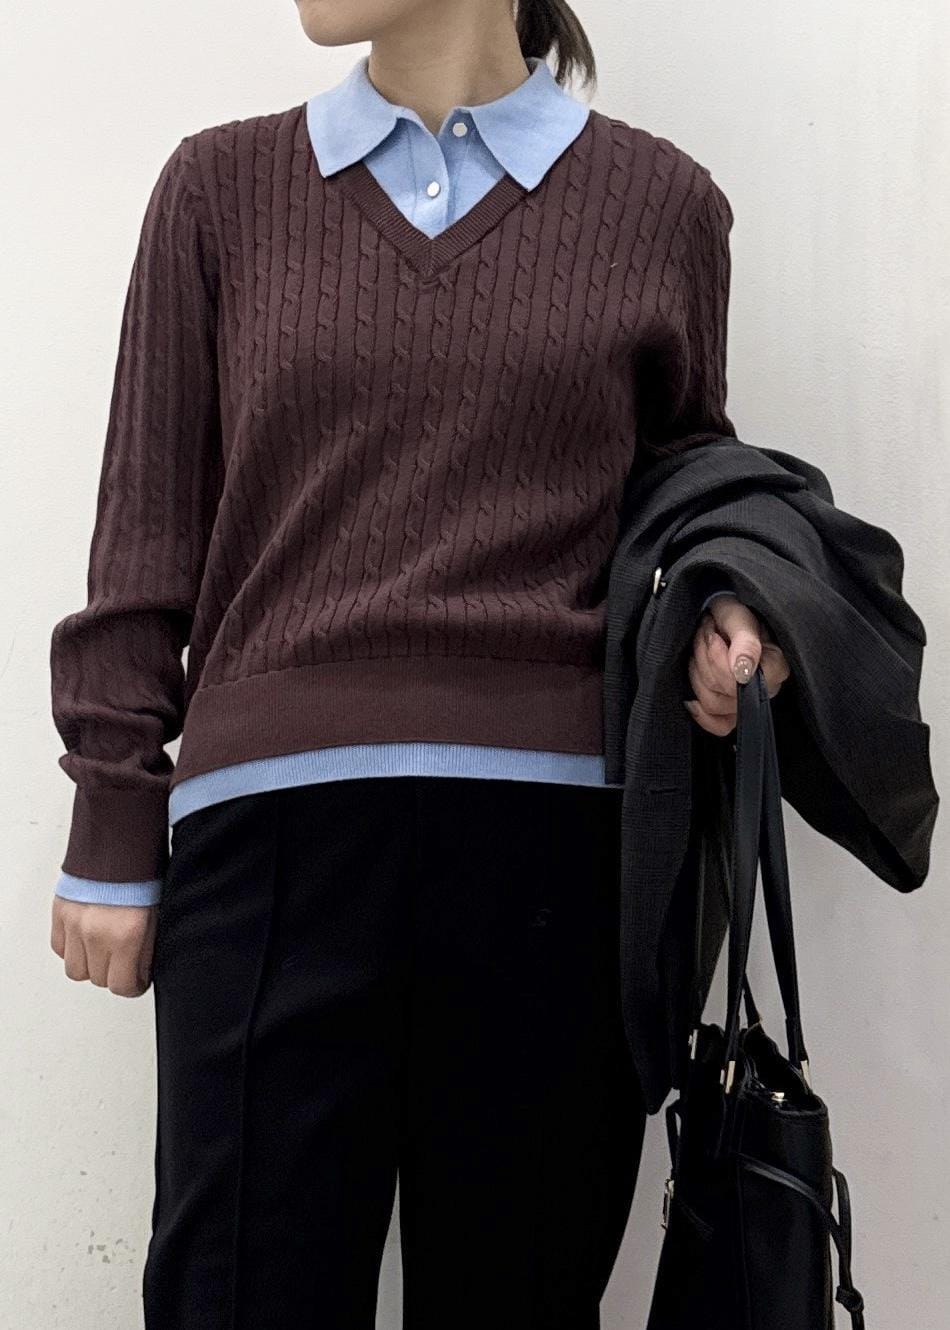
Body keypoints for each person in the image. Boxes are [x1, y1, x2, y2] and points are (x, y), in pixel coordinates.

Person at [47, 1, 791, 1325]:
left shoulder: (663, 206)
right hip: (267, 849)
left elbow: (686, 487)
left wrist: (727, 600)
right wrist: (113, 812)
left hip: (558, 860)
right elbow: (147, 525)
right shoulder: (218, 191)